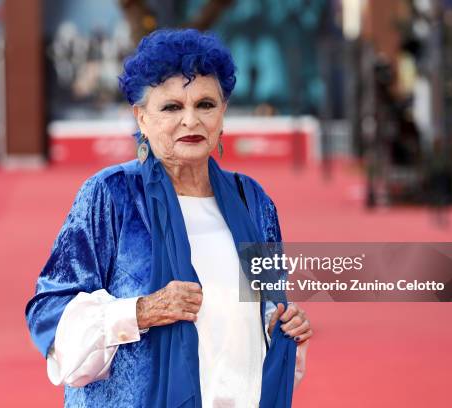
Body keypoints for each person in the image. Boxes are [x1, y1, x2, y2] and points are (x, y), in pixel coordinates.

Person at [25, 29, 312, 408]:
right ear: (141, 118)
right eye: (172, 107)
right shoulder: (111, 196)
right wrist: (139, 312)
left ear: (222, 113)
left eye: (205, 105)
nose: (190, 120)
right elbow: (49, 316)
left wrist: (282, 326)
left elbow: (257, 318)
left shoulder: (254, 202)